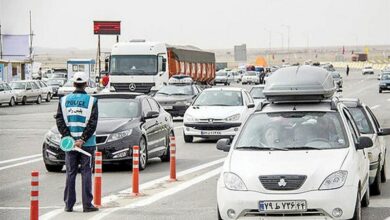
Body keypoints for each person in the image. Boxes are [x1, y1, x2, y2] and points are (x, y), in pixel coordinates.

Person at [56, 72, 99, 213]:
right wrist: (82, 140)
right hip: (87, 144)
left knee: (70, 172)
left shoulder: (63, 101)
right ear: (86, 84)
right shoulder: (92, 101)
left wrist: (69, 138)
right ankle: (87, 205)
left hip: (69, 144)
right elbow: (93, 123)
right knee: (86, 172)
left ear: (73, 84)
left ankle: (69, 204)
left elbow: (60, 121)